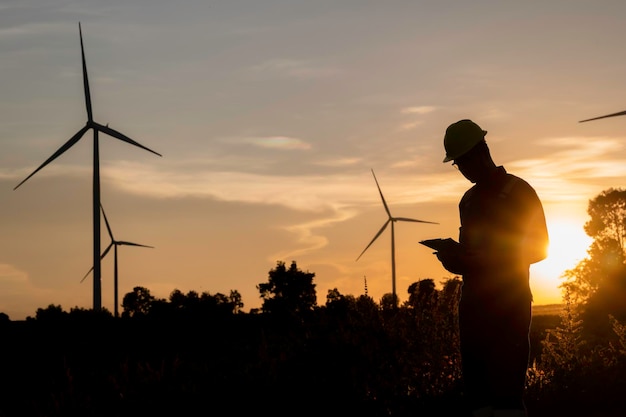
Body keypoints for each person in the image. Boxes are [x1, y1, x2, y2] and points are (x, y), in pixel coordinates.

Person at [434, 119, 549, 417]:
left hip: (508, 310)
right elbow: (471, 257)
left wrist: (486, 260)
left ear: (482, 151)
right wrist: (453, 261)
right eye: (457, 164)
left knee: (507, 401)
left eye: (464, 161)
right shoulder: (467, 201)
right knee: (479, 403)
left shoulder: (520, 193)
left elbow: (540, 248)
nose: (463, 169)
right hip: (473, 311)